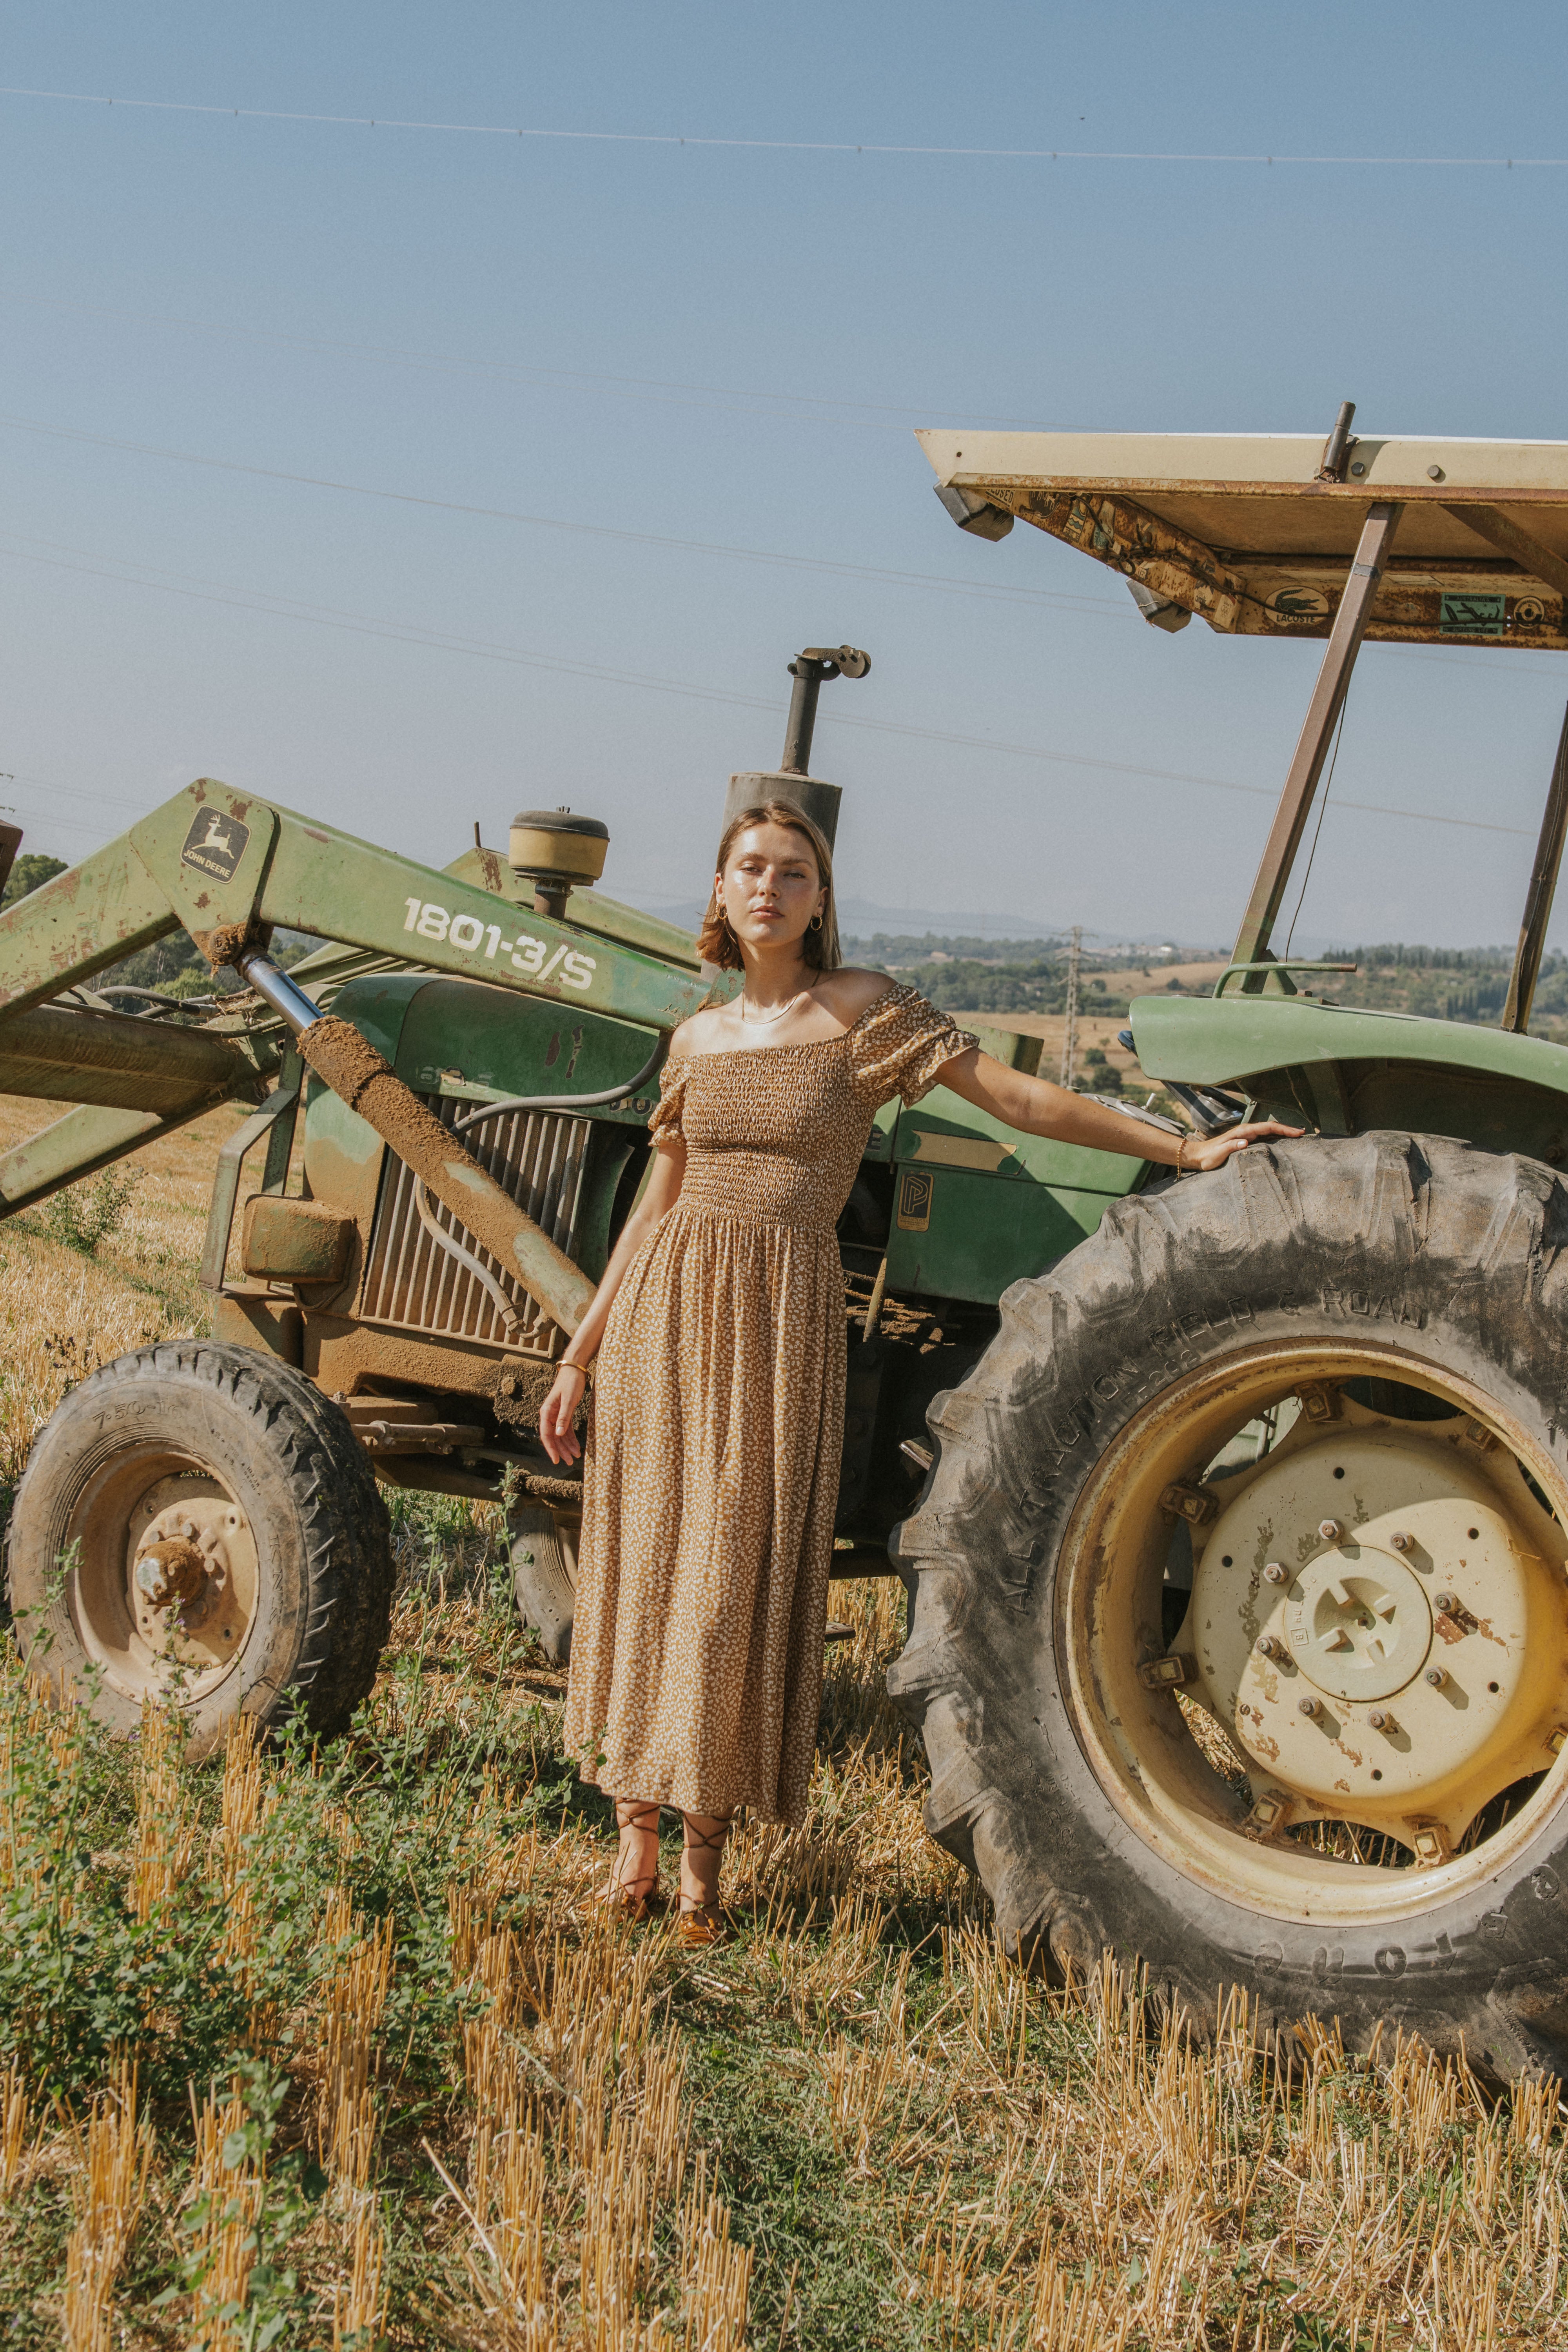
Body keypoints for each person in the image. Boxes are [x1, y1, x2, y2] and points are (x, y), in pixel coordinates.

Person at [539, 800, 1300, 1944]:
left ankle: (705, 1864)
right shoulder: (694, 1039)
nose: (769, 887)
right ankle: (632, 1850)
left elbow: (1017, 1098)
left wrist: (1183, 1149)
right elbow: (657, 1210)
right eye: (749, 867)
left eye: (793, 872)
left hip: (778, 1319)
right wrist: (580, 1352)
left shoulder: (863, 1012)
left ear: (820, 898)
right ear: (718, 889)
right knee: (644, 1567)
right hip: (663, 1321)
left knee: (728, 1577)